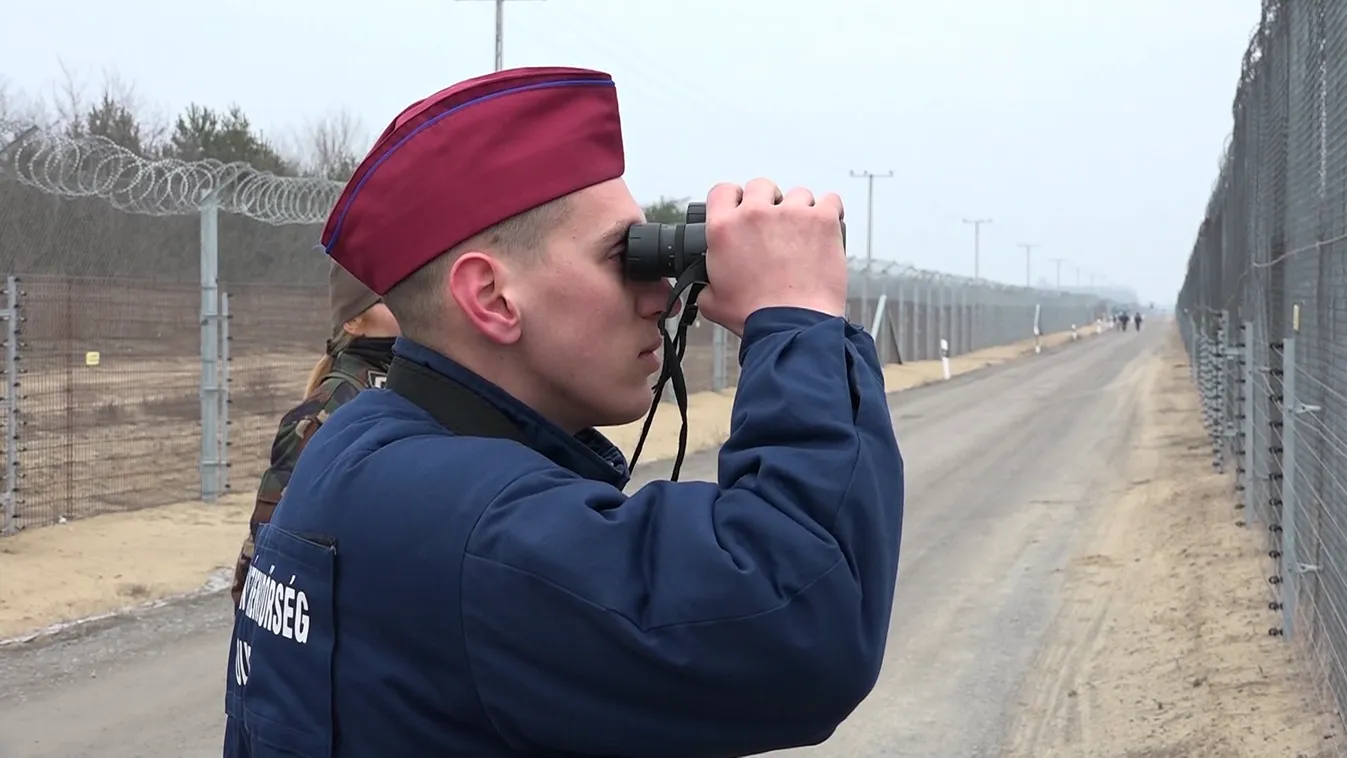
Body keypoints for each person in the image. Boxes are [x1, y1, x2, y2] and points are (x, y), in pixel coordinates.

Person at [223, 66, 905, 758]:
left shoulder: (356, 443)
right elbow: (802, 619)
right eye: (624, 257)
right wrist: (794, 317)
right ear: (491, 297)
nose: (664, 297)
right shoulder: (472, 527)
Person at [227, 260, 399, 607]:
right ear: (353, 321)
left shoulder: (410, 386)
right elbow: (270, 533)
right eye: (385, 299)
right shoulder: (329, 408)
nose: (403, 306)